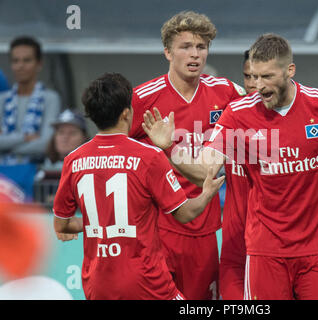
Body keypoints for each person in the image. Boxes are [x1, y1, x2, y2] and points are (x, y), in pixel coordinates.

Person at [142, 33, 318, 300]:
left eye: (267, 77)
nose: (258, 86)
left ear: (290, 70)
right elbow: (205, 171)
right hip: (265, 251)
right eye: (254, 77)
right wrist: (170, 149)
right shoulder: (238, 114)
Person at [52, 72, 224, 300]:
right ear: (126, 113)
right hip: (147, 283)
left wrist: (99, 223)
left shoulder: (74, 160)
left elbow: (62, 225)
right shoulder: (149, 157)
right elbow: (185, 214)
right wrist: (207, 193)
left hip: (96, 283)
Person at [129, 11, 245, 300]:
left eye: (201, 47)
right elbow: (117, 149)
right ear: (168, 52)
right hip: (156, 228)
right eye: (185, 47)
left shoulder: (227, 92)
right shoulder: (143, 98)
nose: (195, 55)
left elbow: (258, 119)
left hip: (204, 230)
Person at [219, 50, 256, 300]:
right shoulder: (231, 116)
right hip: (235, 247)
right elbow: (204, 167)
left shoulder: (291, 123)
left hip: (274, 247)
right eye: (247, 76)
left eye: (261, 76)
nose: (253, 83)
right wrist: (169, 149)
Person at [0, 36, 61, 164]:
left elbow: (46, 143)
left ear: (39, 64)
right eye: (15, 61)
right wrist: (25, 138)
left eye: (26, 60)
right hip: (3, 176)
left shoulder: (50, 98)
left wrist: (8, 148)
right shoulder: (2, 100)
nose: (20, 66)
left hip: (35, 175)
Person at [34, 109, 90, 207]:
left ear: (84, 138)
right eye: (61, 132)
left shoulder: (92, 168)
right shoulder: (40, 167)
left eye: (72, 133)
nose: (65, 137)